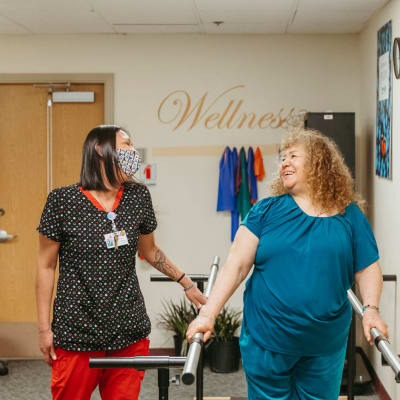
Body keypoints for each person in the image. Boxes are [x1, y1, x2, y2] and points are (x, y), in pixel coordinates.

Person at [187, 128, 389, 400]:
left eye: (294, 155)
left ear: (320, 162)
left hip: (324, 344)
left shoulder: (349, 215)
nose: (284, 162)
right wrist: (208, 314)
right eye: (282, 157)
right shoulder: (266, 210)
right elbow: (235, 267)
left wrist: (371, 310)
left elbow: (367, 267)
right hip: (268, 341)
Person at [36, 125, 206, 400]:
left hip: (128, 328)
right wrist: (44, 329)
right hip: (76, 328)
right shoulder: (62, 201)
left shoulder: (138, 197)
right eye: (126, 144)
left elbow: (150, 251)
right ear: (99, 151)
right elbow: (45, 267)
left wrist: (186, 283)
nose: (133, 152)